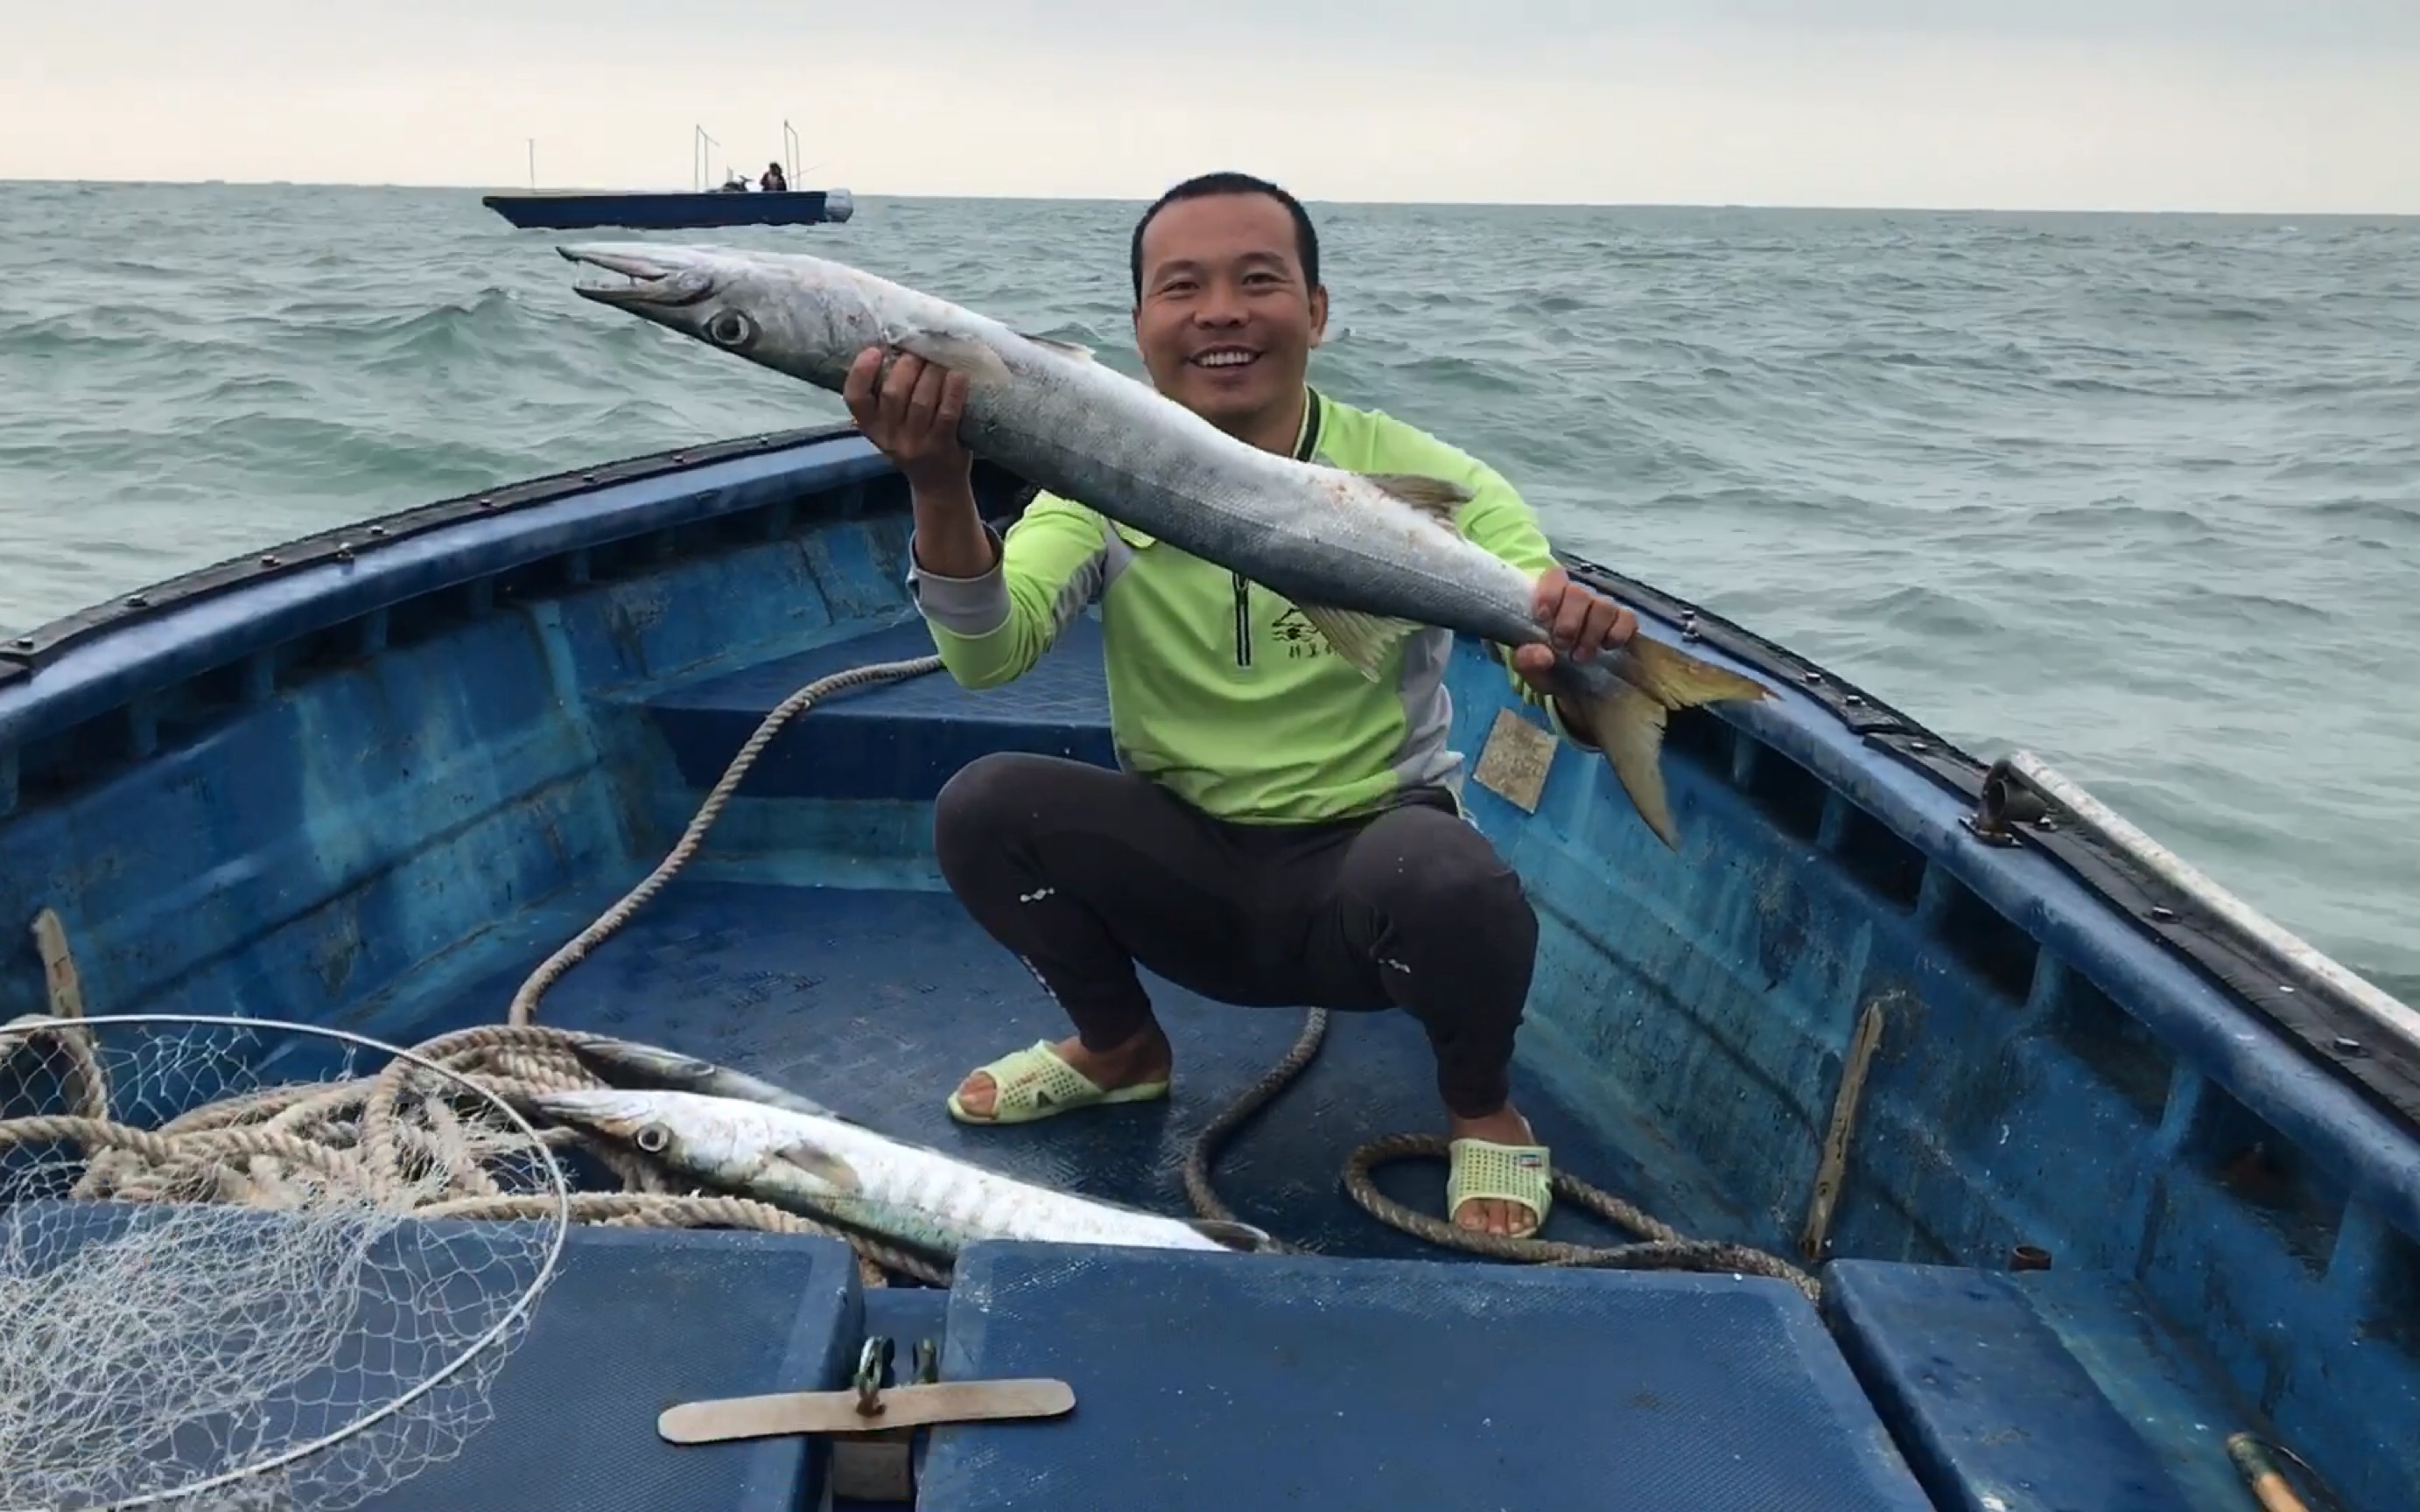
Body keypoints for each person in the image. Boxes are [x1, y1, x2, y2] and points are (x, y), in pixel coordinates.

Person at [841, 171, 1638, 1239]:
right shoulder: (1098, 476)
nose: (1219, 310)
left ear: (1314, 309)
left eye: (1257, 281)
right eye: (1181, 287)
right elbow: (989, 656)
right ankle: (1119, 1047)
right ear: (1138, 326)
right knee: (984, 806)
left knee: (1449, 875)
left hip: (1367, 886)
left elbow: (1523, 595)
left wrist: (1557, 644)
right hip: (1186, 873)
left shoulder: (1426, 473)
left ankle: (1480, 1108)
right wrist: (938, 484)